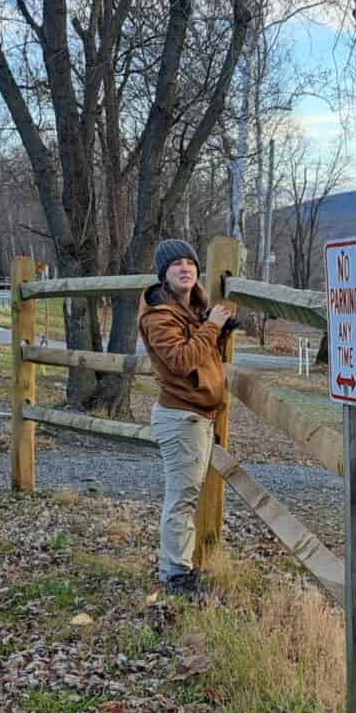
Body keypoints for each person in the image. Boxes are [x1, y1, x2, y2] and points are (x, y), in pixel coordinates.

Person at [138, 239, 238, 596]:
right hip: (182, 418)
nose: (185, 268)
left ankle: (177, 568)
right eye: (176, 264)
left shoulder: (188, 309)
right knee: (181, 499)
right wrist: (211, 325)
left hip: (194, 416)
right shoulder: (159, 315)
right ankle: (176, 575)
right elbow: (181, 360)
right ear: (163, 274)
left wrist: (216, 326)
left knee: (184, 495)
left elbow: (202, 347)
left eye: (190, 263)